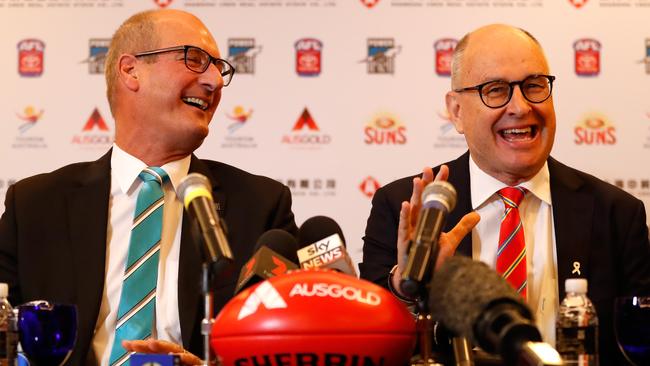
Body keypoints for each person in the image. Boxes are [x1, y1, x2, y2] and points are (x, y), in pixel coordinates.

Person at [0, 9, 297, 365]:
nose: (215, 81)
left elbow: (285, 345)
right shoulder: (35, 205)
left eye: (220, 68)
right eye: (196, 59)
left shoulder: (261, 205)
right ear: (131, 70)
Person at [360, 24, 650, 364]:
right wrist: (408, 282)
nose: (521, 106)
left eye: (534, 86)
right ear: (456, 112)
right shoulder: (405, 208)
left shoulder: (616, 213)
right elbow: (372, 342)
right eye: (495, 90)